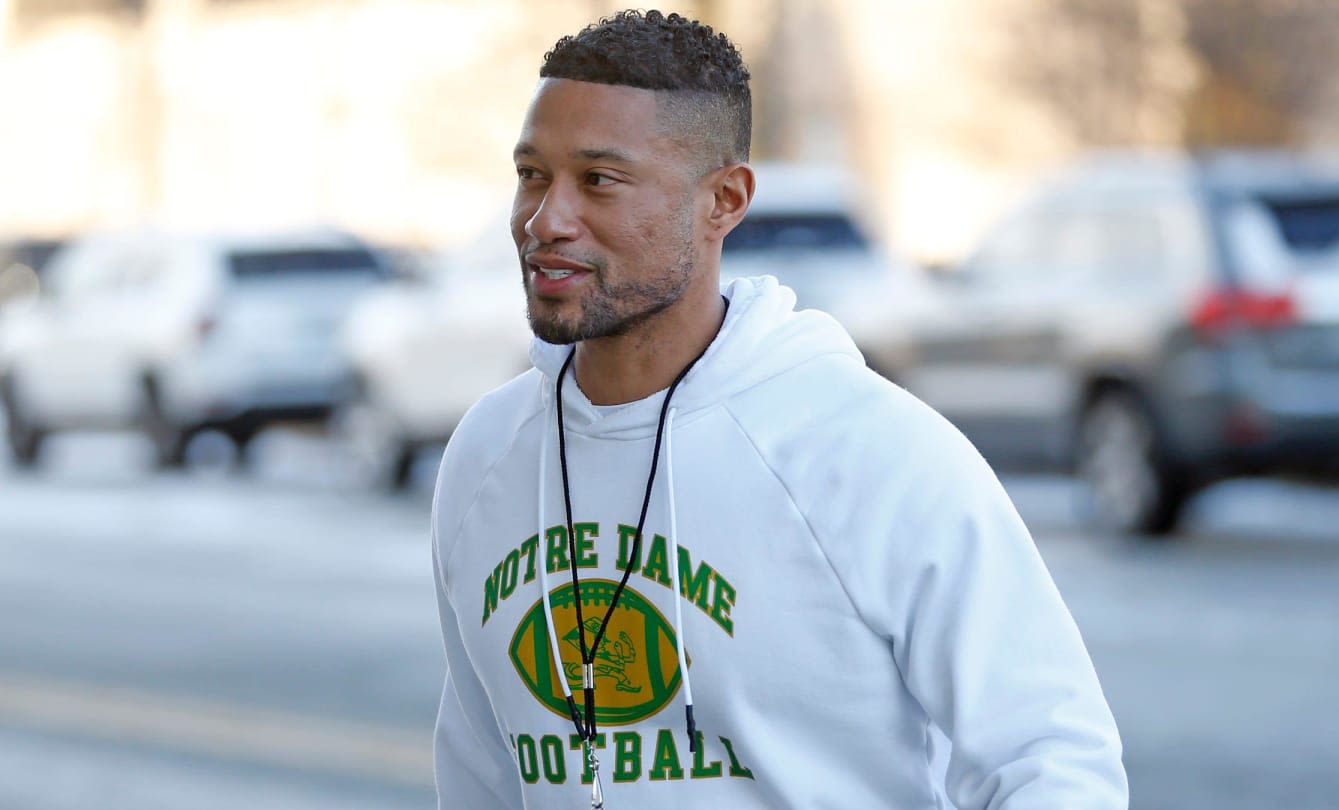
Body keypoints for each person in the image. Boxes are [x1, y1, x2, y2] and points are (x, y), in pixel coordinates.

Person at [430, 9, 1127, 809]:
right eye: (531, 174)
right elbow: (481, 775)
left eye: (599, 180)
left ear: (723, 200)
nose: (546, 219)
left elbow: (1049, 757)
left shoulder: (870, 451)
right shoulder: (488, 453)